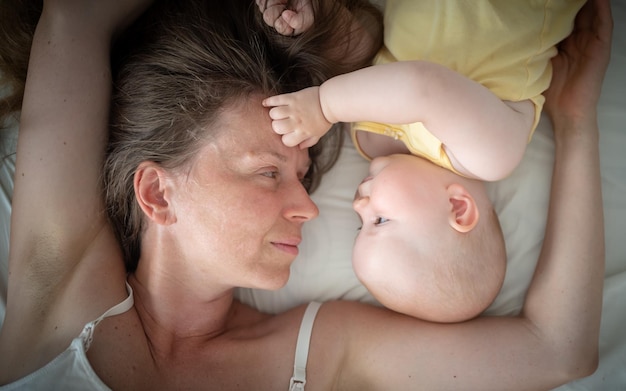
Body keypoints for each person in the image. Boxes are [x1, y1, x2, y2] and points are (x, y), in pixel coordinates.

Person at [0, 0, 611, 389]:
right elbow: (75, 16)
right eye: (269, 172)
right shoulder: (62, 287)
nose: (313, 208)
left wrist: (577, 125)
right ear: (158, 193)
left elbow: (555, 351)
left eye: (300, 175)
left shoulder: (322, 347)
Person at [260, 0, 586, 322]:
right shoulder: (489, 155)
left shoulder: (372, 142)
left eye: (361, 224)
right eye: (380, 221)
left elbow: (370, 47)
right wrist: (323, 107)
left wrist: (322, 23)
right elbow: (423, 86)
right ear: (458, 207)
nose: (359, 206)